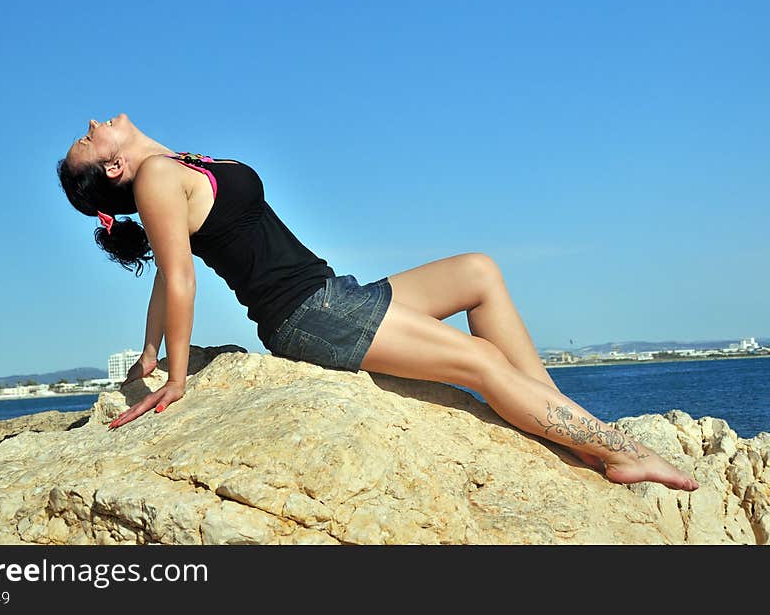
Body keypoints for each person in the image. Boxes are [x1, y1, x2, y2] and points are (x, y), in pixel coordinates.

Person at [57, 113, 699, 492]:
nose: (91, 125)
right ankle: (618, 453)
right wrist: (172, 375)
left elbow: (166, 275)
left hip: (335, 293)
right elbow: (177, 277)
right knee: (481, 361)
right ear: (113, 171)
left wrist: (145, 349)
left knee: (479, 272)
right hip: (309, 315)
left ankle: (566, 422)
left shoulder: (170, 166)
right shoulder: (157, 179)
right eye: (85, 143)